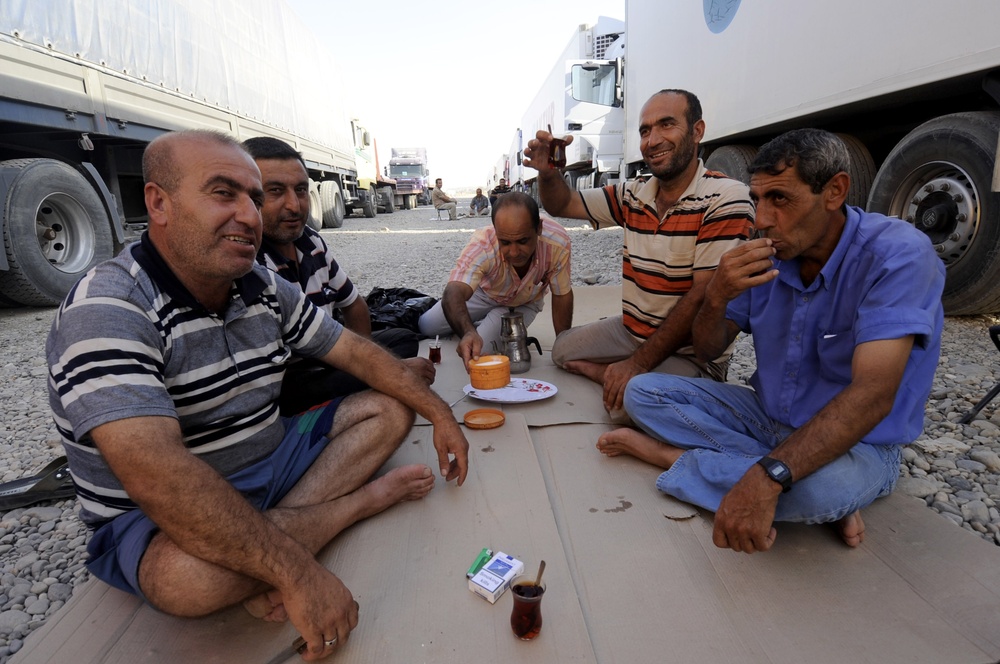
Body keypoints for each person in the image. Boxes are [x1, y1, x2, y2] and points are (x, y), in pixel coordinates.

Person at [46, 130, 470, 659]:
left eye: (251, 196)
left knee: (389, 409)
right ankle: (353, 507)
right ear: (158, 202)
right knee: (186, 580)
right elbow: (156, 475)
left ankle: (259, 545)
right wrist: (296, 572)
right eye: (224, 193)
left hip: (270, 459)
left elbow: (356, 352)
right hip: (161, 511)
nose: (249, 215)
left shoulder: (261, 284)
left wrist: (440, 413)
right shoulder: (108, 308)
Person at [597, 129, 945, 554]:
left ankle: (672, 458)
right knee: (641, 392)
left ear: (835, 191)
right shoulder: (766, 253)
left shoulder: (897, 255)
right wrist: (717, 296)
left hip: (862, 444)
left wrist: (766, 480)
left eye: (779, 199)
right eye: (757, 199)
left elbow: (873, 395)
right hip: (767, 417)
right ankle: (788, 472)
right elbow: (708, 350)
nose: (761, 219)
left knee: (825, 491)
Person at [523, 89, 755, 419]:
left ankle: (633, 382)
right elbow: (562, 204)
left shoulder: (724, 198)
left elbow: (703, 295)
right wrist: (548, 173)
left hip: (689, 354)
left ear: (697, 131)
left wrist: (636, 364)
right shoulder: (633, 194)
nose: (652, 140)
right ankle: (618, 379)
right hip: (631, 332)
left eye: (666, 125)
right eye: (645, 131)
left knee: (625, 409)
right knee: (561, 350)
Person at [244, 136, 433, 414]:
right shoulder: (248, 259)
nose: (294, 205)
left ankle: (363, 389)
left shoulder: (311, 241)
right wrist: (379, 371)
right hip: (292, 377)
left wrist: (367, 361)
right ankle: (361, 396)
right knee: (393, 370)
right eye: (275, 191)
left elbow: (354, 305)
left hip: (333, 358)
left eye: (300, 190)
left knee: (403, 339)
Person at [418, 192, 574, 368]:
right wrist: (468, 332)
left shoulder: (557, 243)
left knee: (482, 349)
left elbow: (562, 294)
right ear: (495, 231)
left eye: (522, 241)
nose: (514, 252)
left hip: (524, 303)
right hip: (484, 294)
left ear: (539, 229)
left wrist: (564, 346)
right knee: (426, 326)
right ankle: (474, 325)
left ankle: (481, 326)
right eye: (505, 243)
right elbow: (453, 292)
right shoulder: (483, 244)